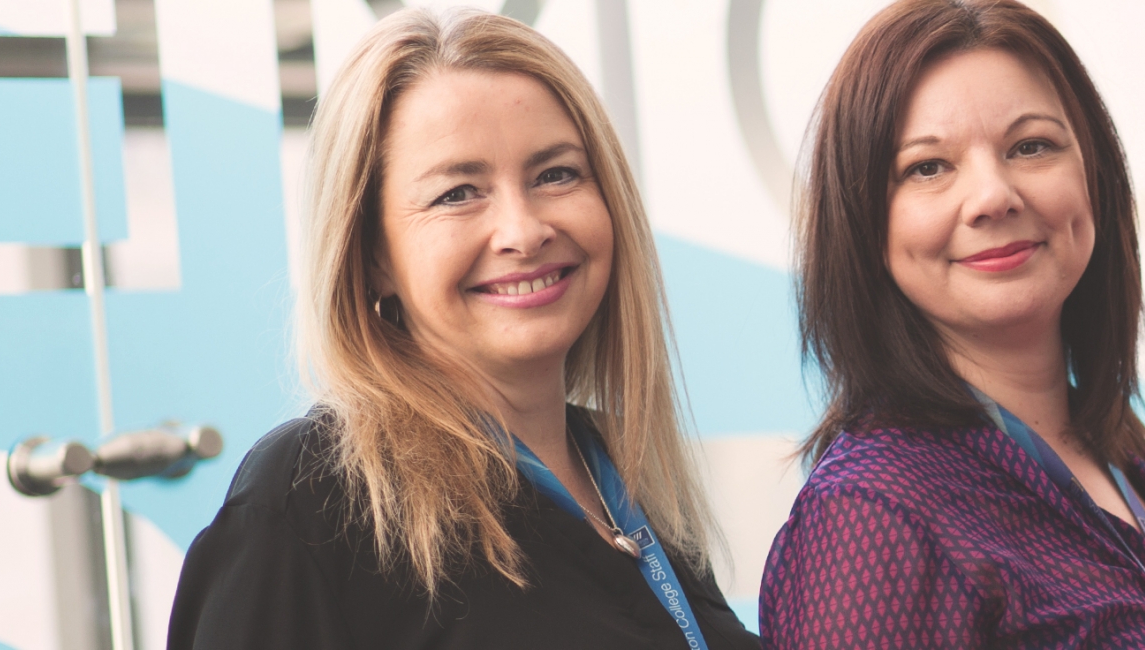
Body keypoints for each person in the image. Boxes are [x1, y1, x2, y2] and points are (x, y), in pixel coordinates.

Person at [164, 8, 755, 649]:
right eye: (457, 193)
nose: (523, 231)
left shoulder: (628, 479)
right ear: (372, 255)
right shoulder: (312, 503)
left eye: (556, 174)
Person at [755, 1, 1145, 647]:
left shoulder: (1123, 465)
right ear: (865, 223)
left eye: (1031, 147)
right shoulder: (874, 516)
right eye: (928, 167)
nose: (993, 196)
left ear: (1094, 175)